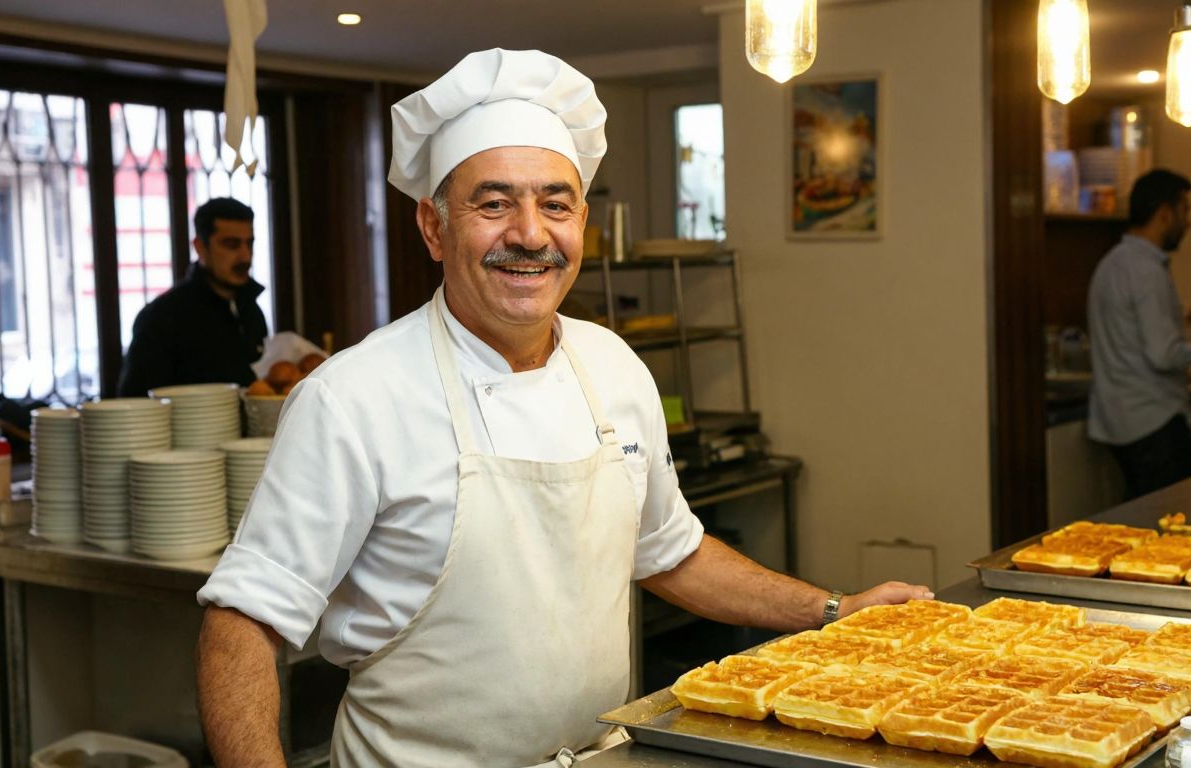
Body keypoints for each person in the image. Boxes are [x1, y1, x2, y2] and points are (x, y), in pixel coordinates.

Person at [194, 49, 932, 768]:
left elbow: (672, 552)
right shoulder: (351, 397)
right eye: (493, 203)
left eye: (556, 203)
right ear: (432, 226)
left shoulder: (612, 365)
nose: (530, 234)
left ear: (583, 223)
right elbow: (242, 623)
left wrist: (835, 611)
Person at [1087, 169, 1191, 501]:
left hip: (1117, 420)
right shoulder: (1147, 271)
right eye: (1185, 211)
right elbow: (1163, 353)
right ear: (1164, 214)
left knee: (1138, 521)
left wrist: (1184, 322)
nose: (1188, 222)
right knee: (1167, 528)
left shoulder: (1111, 263)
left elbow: (1128, 333)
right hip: (1154, 420)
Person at [116, 198, 267, 396]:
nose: (245, 256)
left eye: (249, 243)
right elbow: (136, 401)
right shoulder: (162, 317)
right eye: (232, 244)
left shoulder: (251, 310)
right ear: (200, 247)